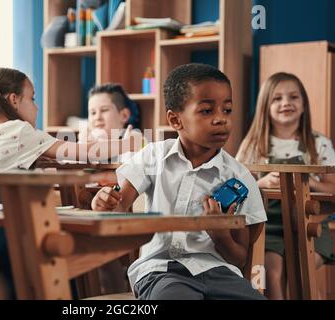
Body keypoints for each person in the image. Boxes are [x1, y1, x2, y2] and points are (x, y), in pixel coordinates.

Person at [0, 67, 140, 296]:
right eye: (33, 98)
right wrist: (129, 144)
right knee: (60, 253)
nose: (37, 106)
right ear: (13, 100)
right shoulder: (21, 130)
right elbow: (84, 153)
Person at [91, 63, 267, 300]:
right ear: (175, 120)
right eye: (207, 111)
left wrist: (220, 233)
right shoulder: (154, 156)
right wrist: (106, 203)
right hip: (161, 272)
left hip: (221, 275)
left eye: (227, 110)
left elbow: (240, 258)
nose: (221, 120)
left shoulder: (240, 177)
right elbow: (120, 205)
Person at [236, 72, 335, 299]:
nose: (286, 103)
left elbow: (333, 187)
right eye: (277, 98)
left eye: (293, 97)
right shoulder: (253, 144)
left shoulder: (318, 143)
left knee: (302, 273)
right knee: (272, 274)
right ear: (265, 106)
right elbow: (236, 185)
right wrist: (260, 183)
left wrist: (305, 181)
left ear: (303, 105)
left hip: (310, 227)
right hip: (268, 228)